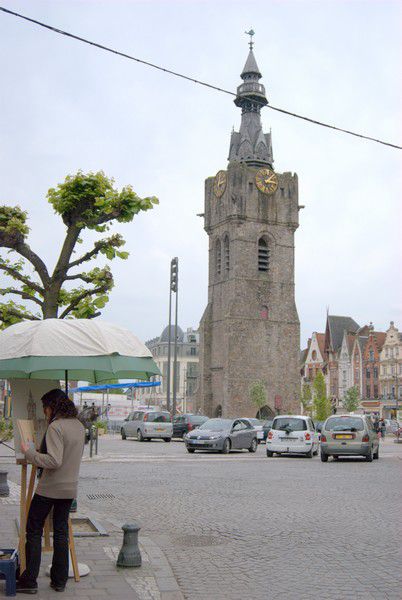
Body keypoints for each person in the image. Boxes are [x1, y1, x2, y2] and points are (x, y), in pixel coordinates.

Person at [17, 389, 85, 594]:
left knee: (33, 529)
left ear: (51, 406)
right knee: (61, 533)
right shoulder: (79, 426)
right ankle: (59, 581)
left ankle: (29, 581)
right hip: (69, 488)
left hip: (50, 487)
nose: (44, 413)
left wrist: (29, 453)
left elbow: (55, 460)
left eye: (45, 408)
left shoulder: (56, 427)